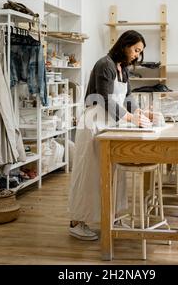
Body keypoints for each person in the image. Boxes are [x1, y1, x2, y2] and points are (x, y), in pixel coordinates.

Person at [68, 30, 157, 241]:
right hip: (94, 123)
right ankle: (76, 221)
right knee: (89, 174)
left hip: (111, 123)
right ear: (124, 45)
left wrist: (140, 113)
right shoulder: (104, 64)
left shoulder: (122, 69)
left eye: (140, 52)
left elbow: (127, 97)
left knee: (113, 172)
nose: (137, 55)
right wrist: (130, 118)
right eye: (136, 50)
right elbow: (105, 100)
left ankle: (114, 217)